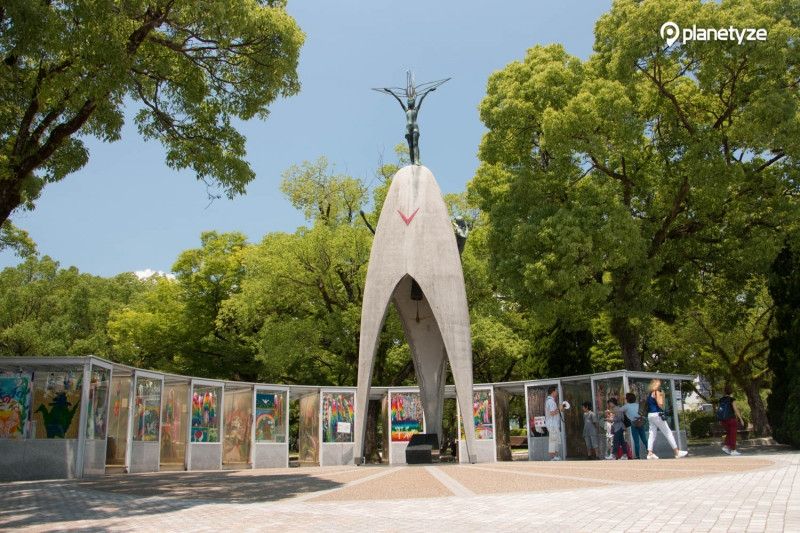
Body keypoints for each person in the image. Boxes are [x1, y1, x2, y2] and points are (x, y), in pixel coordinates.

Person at [646, 379, 689, 459]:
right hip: (657, 414)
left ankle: (650, 453)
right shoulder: (657, 393)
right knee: (668, 433)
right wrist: (662, 396)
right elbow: (661, 404)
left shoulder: (649, 394)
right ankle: (676, 451)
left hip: (650, 415)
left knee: (652, 434)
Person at [719, 385, 745, 456]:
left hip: (723, 420)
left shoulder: (721, 399)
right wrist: (741, 419)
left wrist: (720, 419)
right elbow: (735, 409)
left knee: (729, 433)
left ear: (724, 391)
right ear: (731, 391)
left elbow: (720, 410)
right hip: (731, 419)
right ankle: (733, 450)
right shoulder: (731, 399)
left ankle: (725, 446)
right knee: (733, 434)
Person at [624, 392, 647, 459]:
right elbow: (643, 413)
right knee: (644, 440)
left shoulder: (626, 406)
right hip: (640, 423)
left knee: (636, 441)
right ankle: (649, 452)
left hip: (634, 424)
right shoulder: (638, 405)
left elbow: (619, 410)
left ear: (627, 399)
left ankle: (637, 456)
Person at [545, 385, 564, 460]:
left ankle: (555, 456)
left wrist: (560, 409)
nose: (557, 392)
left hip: (554, 424)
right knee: (553, 440)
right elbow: (552, 413)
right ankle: (553, 457)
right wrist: (560, 409)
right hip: (552, 424)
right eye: (556, 391)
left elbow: (554, 412)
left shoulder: (551, 401)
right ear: (553, 392)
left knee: (555, 440)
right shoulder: (550, 401)